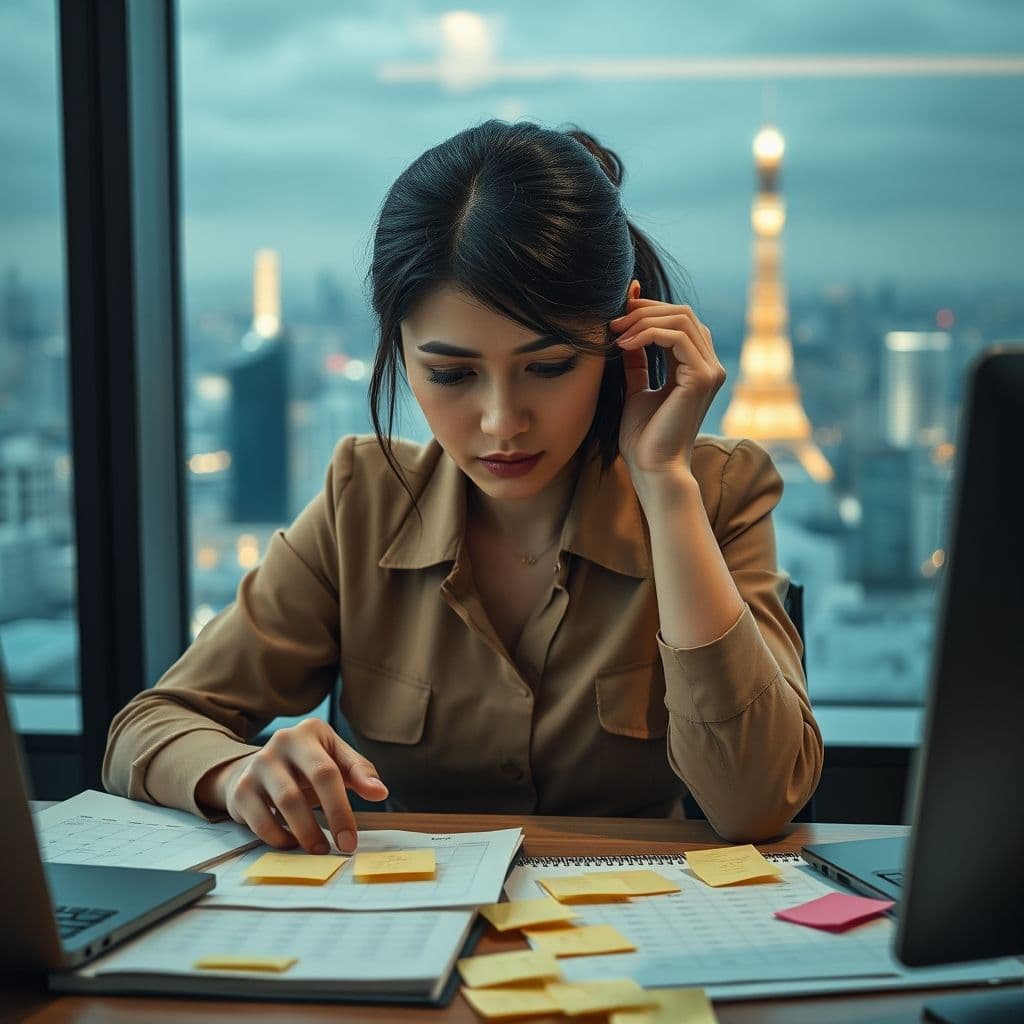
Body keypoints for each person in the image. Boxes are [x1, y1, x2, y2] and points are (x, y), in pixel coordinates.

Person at [104, 120, 822, 856]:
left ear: (620, 339)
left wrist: (665, 484)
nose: (501, 422)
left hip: (631, 937)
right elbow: (150, 727)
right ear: (400, 354)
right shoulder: (365, 501)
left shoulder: (716, 492)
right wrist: (238, 772)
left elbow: (756, 806)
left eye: (548, 367)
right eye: (451, 374)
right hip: (398, 936)